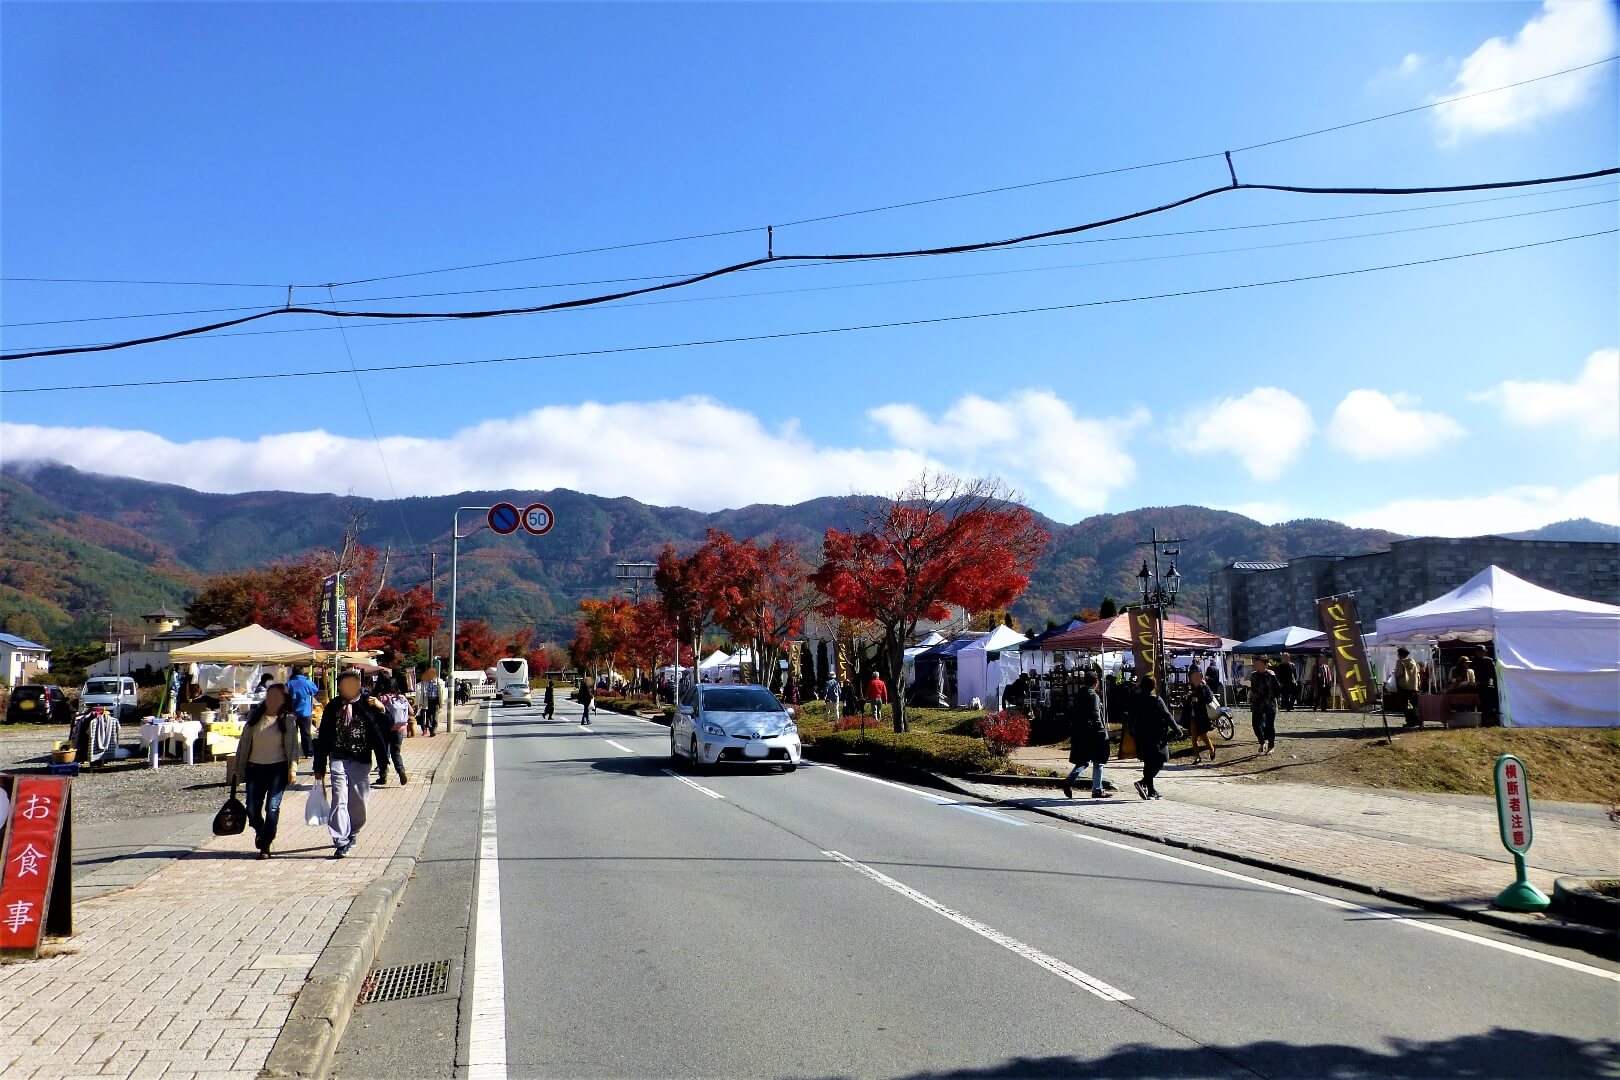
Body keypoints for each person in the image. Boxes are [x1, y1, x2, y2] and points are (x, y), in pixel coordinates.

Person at [313, 669, 389, 859]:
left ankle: (353, 830)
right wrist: (319, 766)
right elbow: (323, 738)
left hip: (361, 758)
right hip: (338, 757)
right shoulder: (333, 707)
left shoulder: (368, 703)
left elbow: (386, 730)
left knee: (358, 800)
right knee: (339, 796)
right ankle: (341, 839)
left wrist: (382, 709)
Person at [238, 683, 298, 859]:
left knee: (272, 807)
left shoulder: (288, 719)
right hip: (254, 768)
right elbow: (243, 744)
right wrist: (237, 768)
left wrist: (292, 769)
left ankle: (266, 842)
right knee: (252, 809)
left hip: (277, 769)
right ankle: (261, 830)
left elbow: (294, 747)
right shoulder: (255, 716)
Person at [1063, 672, 1112, 800]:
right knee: (1099, 761)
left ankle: (1070, 779)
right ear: (1096, 683)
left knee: (1084, 761)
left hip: (1081, 732)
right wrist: (1102, 731)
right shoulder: (1093, 696)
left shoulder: (1079, 695)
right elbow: (1096, 715)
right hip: (1095, 733)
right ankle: (1097, 789)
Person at [1132, 676, 1181, 800]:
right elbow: (1167, 715)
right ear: (1153, 687)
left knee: (1148, 762)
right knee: (1161, 758)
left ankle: (1151, 791)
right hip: (1156, 735)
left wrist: (1131, 730)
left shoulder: (1136, 700)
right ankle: (1143, 782)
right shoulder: (1156, 700)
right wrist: (1177, 729)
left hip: (1141, 735)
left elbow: (1131, 716)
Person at [375, 675, 411, 787]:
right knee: (396, 752)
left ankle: (383, 776)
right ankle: (401, 771)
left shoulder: (383, 698)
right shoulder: (402, 697)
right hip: (399, 729)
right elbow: (411, 711)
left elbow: (377, 713)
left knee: (383, 753)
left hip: (385, 729)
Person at [1181, 665, 1218, 765]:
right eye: (1192, 676)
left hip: (1201, 716)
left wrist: (1197, 698)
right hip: (1192, 716)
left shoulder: (1204, 687)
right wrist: (1187, 697)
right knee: (1193, 737)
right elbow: (1187, 701)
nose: (1194, 678)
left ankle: (1211, 749)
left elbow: (1209, 698)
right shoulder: (1190, 687)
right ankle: (1197, 757)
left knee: (1203, 736)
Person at [1249, 656, 1282, 756]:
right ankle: (1262, 741)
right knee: (1255, 724)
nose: (1257, 665)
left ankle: (1271, 746)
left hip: (1269, 703)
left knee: (1269, 725)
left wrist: (1276, 699)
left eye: (1259, 663)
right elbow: (1253, 689)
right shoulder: (1254, 675)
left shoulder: (1271, 675)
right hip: (1257, 703)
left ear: (1265, 664)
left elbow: (1277, 689)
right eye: (1256, 663)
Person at [285, 666, 319, 759]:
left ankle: (291, 753)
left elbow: (285, 696)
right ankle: (308, 752)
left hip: (291, 712)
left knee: (291, 734)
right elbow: (315, 691)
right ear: (302, 672)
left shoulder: (289, 683)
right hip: (305, 711)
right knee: (306, 733)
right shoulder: (307, 682)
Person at [1393, 647, 1421, 726]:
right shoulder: (1413, 661)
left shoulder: (1400, 662)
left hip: (1403, 686)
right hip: (1413, 686)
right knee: (1414, 704)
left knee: (1405, 704)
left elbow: (1398, 674)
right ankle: (1417, 720)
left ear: (1400, 654)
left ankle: (1410, 721)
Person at [415, 666, 442, 737]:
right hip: (428, 701)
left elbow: (442, 693)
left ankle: (434, 730)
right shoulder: (426, 682)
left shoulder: (439, 682)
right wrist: (420, 702)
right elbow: (422, 693)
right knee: (428, 716)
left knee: (435, 716)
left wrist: (441, 703)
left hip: (436, 701)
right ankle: (430, 729)